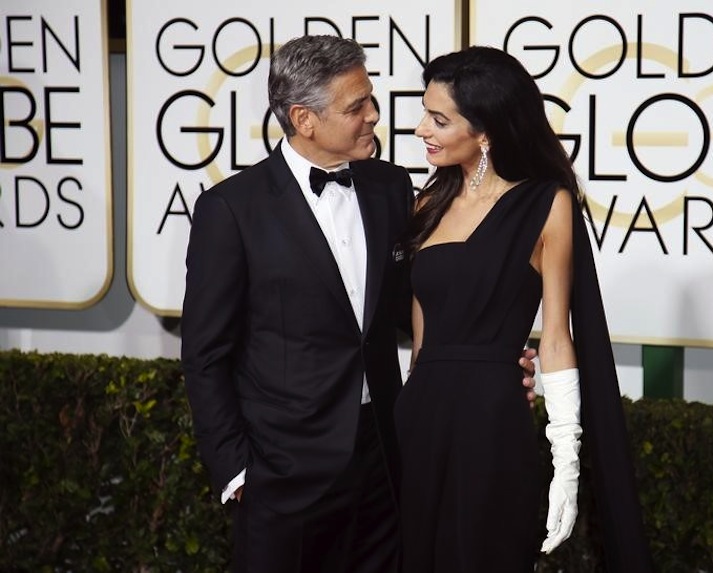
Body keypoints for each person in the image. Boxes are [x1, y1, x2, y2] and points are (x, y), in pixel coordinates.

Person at [180, 35, 537, 573]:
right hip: (284, 470)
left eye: (371, 99)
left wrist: (491, 355)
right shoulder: (230, 210)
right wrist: (236, 472)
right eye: (356, 107)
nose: (374, 115)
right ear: (304, 118)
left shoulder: (391, 187)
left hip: (385, 459)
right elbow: (205, 353)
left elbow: (412, 307)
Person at [394, 46, 653, 572]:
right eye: (424, 112)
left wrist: (566, 463)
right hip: (418, 419)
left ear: (485, 130)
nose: (421, 128)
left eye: (439, 119)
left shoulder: (546, 203)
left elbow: (556, 338)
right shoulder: (427, 203)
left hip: (491, 422)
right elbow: (423, 343)